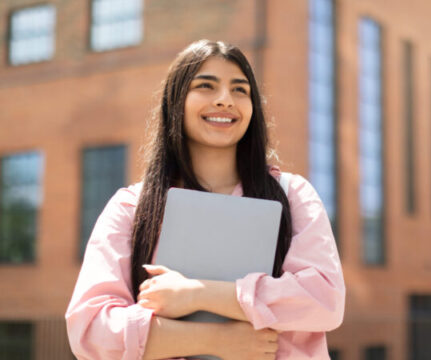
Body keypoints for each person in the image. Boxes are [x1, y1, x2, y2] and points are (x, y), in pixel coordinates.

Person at [65, 39, 345, 360]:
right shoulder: (131, 207)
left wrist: (197, 294)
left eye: (240, 90)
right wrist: (215, 340)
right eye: (206, 86)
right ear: (176, 102)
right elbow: (89, 329)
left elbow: (325, 301)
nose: (225, 100)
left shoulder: (293, 194)